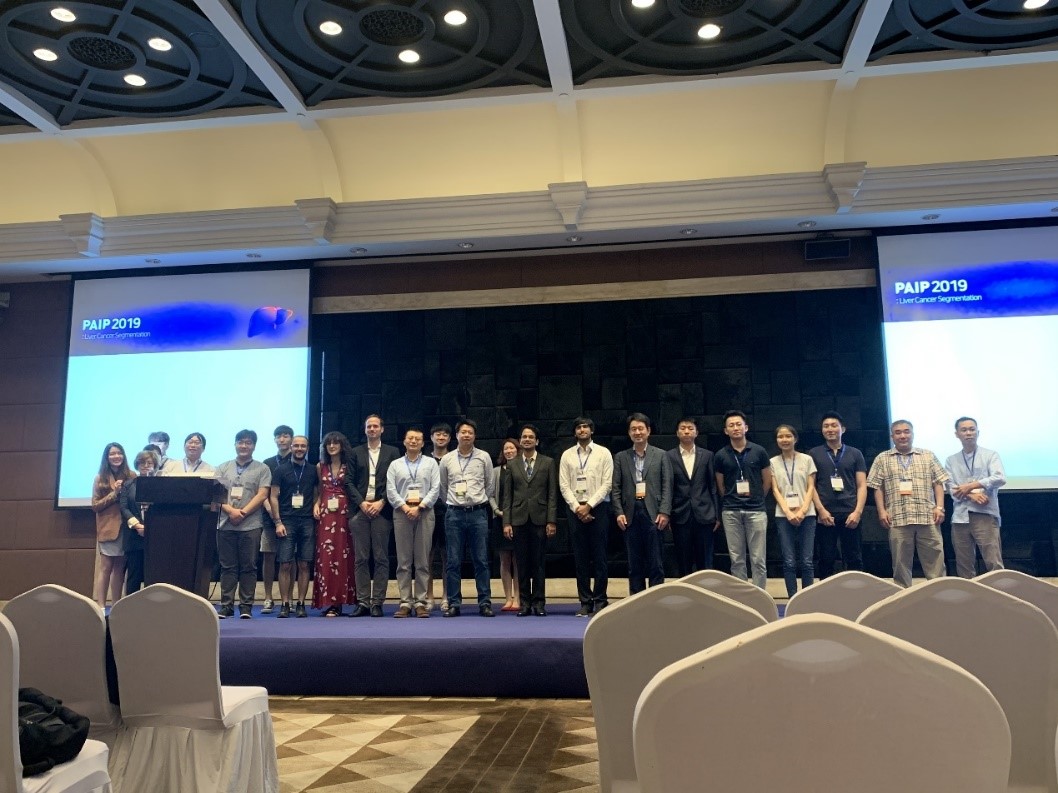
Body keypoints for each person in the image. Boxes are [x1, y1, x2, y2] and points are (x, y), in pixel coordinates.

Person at [867, 419, 948, 588]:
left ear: (912, 434)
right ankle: (902, 595)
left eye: (906, 432)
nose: (903, 436)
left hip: (928, 517)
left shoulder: (927, 455)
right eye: (898, 433)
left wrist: (940, 507)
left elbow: (938, 483)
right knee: (900, 563)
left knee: (935, 561)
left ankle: (938, 593)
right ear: (892, 436)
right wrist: (881, 511)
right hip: (897, 518)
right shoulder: (883, 458)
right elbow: (877, 487)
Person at [438, 418, 496, 617]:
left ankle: (485, 603)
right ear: (457, 435)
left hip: (478, 513)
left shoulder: (484, 457)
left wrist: (477, 501)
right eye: (463, 432)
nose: (466, 435)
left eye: (470, 432)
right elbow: (443, 488)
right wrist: (455, 502)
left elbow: (490, 485)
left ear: (474, 436)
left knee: (481, 560)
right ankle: (454, 603)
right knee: (453, 561)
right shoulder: (447, 459)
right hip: (454, 514)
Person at [558, 417, 613, 617]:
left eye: (586, 427)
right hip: (575, 509)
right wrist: (577, 508)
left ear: (592, 430)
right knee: (580, 558)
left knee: (600, 557)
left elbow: (607, 483)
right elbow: (564, 485)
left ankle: (600, 600)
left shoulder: (603, 453)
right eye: (579, 427)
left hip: (598, 507)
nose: (582, 430)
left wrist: (589, 506)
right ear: (575, 432)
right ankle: (585, 601)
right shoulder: (567, 455)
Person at [612, 413, 671, 594]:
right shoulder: (621, 457)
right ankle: (636, 601)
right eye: (633, 429)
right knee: (634, 563)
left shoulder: (661, 455)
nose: (637, 432)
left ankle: (656, 599)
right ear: (629, 433)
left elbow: (667, 485)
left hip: (654, 513)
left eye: (641, 429)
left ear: (648, 431)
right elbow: (615, 488)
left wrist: (664, 511)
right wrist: (619, 512)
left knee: (656, 562)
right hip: (629, 514)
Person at [215, 430, 272, 618]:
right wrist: (231, 511)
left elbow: (262, 495)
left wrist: (243, 512)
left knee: (249, 566)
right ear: (235, 444)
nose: (244, 446)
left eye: (248, 443)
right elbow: (216, 495)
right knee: (227, 567)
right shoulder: (223, 468)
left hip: (251, 524)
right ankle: (226, 606)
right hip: (225, 523)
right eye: (240, 442)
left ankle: (246, 607)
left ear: (254, 446)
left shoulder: (262, 468)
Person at [503, 424, 558, 617]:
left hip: (540, 518)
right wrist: (506, 522)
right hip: (518, 519)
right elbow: (507, 496)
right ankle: (525, 603)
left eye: (531, 437)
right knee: (522, 563)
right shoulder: (512, 464)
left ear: (537, 441)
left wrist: (551, 521)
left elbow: (552, 494)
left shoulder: (548, 462)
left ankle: (539, 603)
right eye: (524, 437)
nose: (527, 439)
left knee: (539, 563)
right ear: (520, 441)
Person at [348, 415, 401, 617]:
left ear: (382, 429)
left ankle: (377, 602)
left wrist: (382, 502)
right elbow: (348, 482)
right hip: (360, 510)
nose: (372, 429)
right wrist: (361, 503)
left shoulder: (392, 452)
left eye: (375, 426)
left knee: (381, 558)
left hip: (382, 510)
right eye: (369, 426)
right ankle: (363, 602)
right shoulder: (355, 452)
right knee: (361, 558)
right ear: (365, 430)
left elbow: (396, 481)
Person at [714, 410, 772, 590]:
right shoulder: (721, 455)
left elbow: (767, 481)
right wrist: (732, 498)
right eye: (731, 425)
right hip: (731, 511)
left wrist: (757, 497)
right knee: (737, 559)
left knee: (758, 559)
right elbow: (721, 486)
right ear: (726, 431)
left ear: (746, 427)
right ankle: (741, 597)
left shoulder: (759, 451)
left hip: (756, 510)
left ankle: (760, 596)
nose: (735, 428)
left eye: (739, 424)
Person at [387, 427, 440, 618]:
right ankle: (405, 602)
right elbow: (391, 490)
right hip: (402, 513)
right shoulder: (395, 465)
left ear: (423, 443)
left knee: (422, 561)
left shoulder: (430, 463)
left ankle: (420, 602)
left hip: (424, 512)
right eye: (410, 438)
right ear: (404, 441)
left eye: (417, 439)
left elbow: (436, 488)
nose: (413, 441)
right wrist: (405, 507)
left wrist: (420, 506)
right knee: (403, 561)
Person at [945, 417, 1007, 578]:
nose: (968, 433)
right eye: (964, 430)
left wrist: (972, 485)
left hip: (985, 514)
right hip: (960, 518)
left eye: (972, 429)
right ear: (957, 434)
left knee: (993, 561)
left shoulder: (990, 455)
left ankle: (999, 593)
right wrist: (971, 494)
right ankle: (968, 594)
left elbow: (1000, 478)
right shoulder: (951, 460)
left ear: (978, 432)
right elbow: (951, 487)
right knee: (963, 563)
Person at [808, 412, 867, 577]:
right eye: (826, 426)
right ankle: (825, 592)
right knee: (826, 558)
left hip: (850, 513)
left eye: (834, 425)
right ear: (822, 430)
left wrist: (857, 512)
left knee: (854, 558)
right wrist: (821, 511)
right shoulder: (814, 454)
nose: (830, 429)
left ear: (843, 429)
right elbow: (810, 486)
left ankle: (856, 591)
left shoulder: (855, 453)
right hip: (826, 514)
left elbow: (862, 485)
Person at [270, 435, 320, 617]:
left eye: (303, 446)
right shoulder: (280, 470)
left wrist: (316, 504)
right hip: (287, 521)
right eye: (296, 446)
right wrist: (277, 522)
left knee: (304, 564)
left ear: (307, 448)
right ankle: (285, 603)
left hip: (307, 521)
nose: (299, 449)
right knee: (285, 564)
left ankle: (300, 604)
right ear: (291, 447)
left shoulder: (313, 470)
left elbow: (319, 493)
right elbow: (273, 496)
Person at [664, 417, 719, 577]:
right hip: (680, 515)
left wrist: (717, 514)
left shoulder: (707, 455)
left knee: (706, 562)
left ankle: (706, 591)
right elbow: (667, 487)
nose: (686, 431)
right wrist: (667, 513)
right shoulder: (668, 456)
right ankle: (686, 591)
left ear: (696, 432)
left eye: (690, 428)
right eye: (683, 428)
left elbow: (713, 486)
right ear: (677, 433)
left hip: (705, 514)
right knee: (683, 561)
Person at [770, 425, 817, 597]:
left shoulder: (807, 459)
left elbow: (811, 487)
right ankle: (792, 598)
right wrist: (788, 512)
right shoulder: (772, 462)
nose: (784, 440)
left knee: (807, 561)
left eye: (788, 436)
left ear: (795, 439)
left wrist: (802, 511)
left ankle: (807, 598)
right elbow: (775, 489)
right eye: (780, 437)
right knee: (789, 561)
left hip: (807, 514)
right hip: (783, 515)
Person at [312, 432, 356, 616]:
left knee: (343, 555)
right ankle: (328, 601)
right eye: (328, 443)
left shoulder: (349, 465)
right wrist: (316, 504)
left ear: (342, 445)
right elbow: (320, 490)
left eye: (335, 443)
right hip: (326, 514)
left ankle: (340, 601)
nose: (332, 446)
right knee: (326, 557)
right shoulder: (320, 466)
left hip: (344, 513)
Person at [91, 442, 134, 608]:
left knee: (120, 568)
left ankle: (116, 605)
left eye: (119, 453)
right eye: (112, 454)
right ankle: (101, 606)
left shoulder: (131, 475)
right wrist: (114, 493)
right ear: (107, 458)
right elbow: (95, 505)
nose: (116, 456)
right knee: (106, 567)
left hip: (127, 527)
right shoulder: (100, 478)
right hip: (108, 528)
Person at [259, 425, 294, 613]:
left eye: (286, 436)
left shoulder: (298, 460)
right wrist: (271, 511)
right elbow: (263, 490)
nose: (282, 439)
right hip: (268, 517)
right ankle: (268, 597)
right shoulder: (268, 463)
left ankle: (288, 598)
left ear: (291, 439)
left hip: (292, 516)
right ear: (274, 440)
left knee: (290, 558)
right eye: (278, 436)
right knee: (268, 555)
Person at [120, 448, 160, 594]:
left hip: (156, 536)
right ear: (137, 465)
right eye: (142, 463)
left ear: (155, 465)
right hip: (134, 536)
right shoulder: (128, 485)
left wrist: (150, 527)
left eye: (149, 463)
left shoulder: (161, 485)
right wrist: (137, 526)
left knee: (155, 577)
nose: (146, 466)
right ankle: (131, 606)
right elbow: (124, 508)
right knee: (133, 576)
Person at [491, 439, 520, 612]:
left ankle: (518, 597)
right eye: (506, 449)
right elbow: (490, 494)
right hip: (499, 518)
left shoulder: (522, 469)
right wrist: (497, 510)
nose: (509, 451)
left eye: (512, 448)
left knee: (517, 560)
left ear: (518, 450)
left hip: (518, 519)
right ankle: (508, 598)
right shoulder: (496, 471)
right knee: (504, 559)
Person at [427, 422, 452, 611]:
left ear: (450, 438)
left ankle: (446, 596)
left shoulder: (454, 459)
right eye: (437, 434)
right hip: (427, 511)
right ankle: (428, 596)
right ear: (431, 437)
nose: (441, 437)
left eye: (444, 434)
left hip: (449, 512)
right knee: (426, 556)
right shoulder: (424, 460)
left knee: (447, 556)